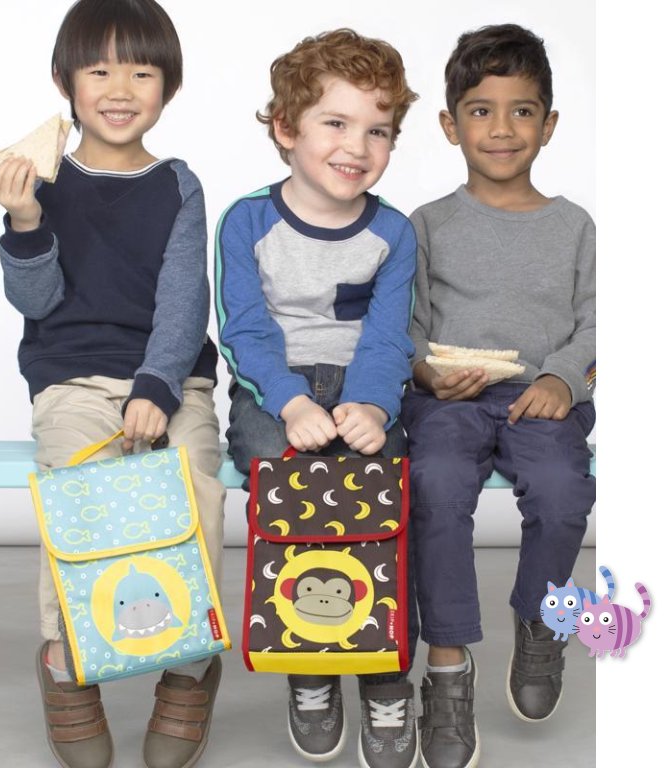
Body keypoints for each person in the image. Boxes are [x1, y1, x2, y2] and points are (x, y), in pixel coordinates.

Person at [0, 2, 225, 767]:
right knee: (78, 495)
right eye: (99, 71)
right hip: (72, 378)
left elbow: (185, 300)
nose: (120, 90)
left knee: (195, 482)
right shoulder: (43, 181)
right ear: (66, 81)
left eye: (142, 72)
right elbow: (35, 302)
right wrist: (26, 221)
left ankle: (189, 665)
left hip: (170, 376)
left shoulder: (178, 184)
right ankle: (66, 662)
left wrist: (157, 386)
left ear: (169, 87)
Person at [215, 28, 421, 768]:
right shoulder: (247, 221)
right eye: (335, 123)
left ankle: (386, 674)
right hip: (277, 388)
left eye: (377, 131)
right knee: (285, 481)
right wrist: (292, 403)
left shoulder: (393, 232)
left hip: (362, 384)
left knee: (382, 495)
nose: (356, 147)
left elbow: (389, 337)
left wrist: (373, 406)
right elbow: (243, 329)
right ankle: (308, 661)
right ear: (285, 128)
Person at [401, 23, 596, 768]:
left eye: (522, 111)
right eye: (481, 110)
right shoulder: (427, 225)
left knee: (562, 490)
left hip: (540, 400)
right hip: (448, 401)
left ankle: (541, 620)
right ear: (450, 125)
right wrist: (426, 372)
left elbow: (598, 322)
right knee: (436, 483)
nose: (503, 129)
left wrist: (560, 378)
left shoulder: (574, 227)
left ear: (549, 124)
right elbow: (405, 327)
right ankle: (447, 664)